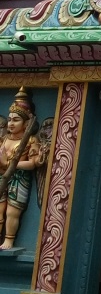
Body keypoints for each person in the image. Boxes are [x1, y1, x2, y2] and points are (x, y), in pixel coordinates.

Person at [0, 88, 44, 250]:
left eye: (16, 120)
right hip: (2, 176)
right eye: (10, 119)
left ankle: (9, 240)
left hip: (19, 179)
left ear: (26, 124)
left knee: (12, 211)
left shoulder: (31, 140)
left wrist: (11, 164)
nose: (11, 123)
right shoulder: (4, 139)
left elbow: (33, 163)